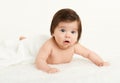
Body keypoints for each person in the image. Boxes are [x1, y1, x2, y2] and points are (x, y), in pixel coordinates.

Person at [35, 8, 109, 73]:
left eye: (73, 32)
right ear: (53, 32)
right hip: (36, 48)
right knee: (30, 44)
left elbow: (88, 53)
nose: (68, 35)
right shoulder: (49, 45)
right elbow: (39, 60)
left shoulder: (74, 45)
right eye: (63, 30)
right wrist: (47, 69)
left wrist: (99, 62)